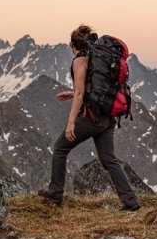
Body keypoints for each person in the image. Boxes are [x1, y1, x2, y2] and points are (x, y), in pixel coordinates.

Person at [38, 24, 141, 211]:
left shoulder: (80, 60)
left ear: (72, 45)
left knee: (60, 147)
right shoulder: (96, 58)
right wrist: (73, 93)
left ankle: (55, 194)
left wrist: (71, 123)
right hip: (107, 117)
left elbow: (80, 93)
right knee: (109, 158)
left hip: (91, 118)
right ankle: (131, 202)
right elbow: (88, 88)